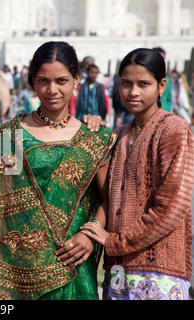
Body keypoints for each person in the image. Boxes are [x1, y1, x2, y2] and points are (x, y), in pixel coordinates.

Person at [0, 41, 117, 300]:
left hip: (74, 261)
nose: (52, 90)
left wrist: (90, 234)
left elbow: (107, 198)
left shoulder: (94, 137)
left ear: (76, 80)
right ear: (33, 81)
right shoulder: (9, 135)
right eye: (43, 80)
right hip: (16, 270)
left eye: (62, 80)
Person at [81, 48, 194, 300]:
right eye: (126, 84)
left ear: (161, 86)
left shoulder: (173, 129)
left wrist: (116, 242)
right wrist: (93, 126)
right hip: (120, 270)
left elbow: (172, 207)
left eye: (143, 84)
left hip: (159, 273)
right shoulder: (121, 135)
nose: (133, 92)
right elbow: (107, 194)